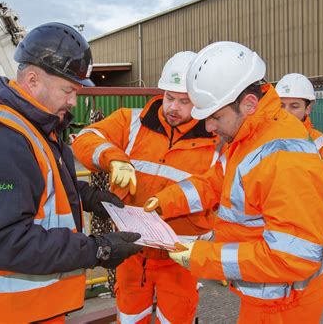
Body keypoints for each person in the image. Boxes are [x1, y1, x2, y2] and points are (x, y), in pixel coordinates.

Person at [0, 22, 142, 323]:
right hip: (14, 313)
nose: (73, 101)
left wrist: (89, 197)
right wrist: (96, 250)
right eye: (68, 90)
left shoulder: (33, 126)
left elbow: (43, 185)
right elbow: (5, 240)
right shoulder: (2, 140)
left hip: (34, 307)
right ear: (32, 80)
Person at [144, 42, 323, 323]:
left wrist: (200, 255)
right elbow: (215, 182)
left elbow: (291, 256)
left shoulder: (282, 157)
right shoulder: (251, 135)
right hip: (269, 295)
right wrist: (165, 202)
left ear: (248, 104)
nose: (209, 128)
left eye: (216, 117)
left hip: (284, 305)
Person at [72, 51, 222, 323]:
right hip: (132, 250)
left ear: (200, 102)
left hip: (180, 256)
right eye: (169, 97)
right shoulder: (130, 121)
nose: (173, 107)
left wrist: (168, 201)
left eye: (184, 101)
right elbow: (85, 139)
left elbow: (213, 190)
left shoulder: (216, 141)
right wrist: (113, 159)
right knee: (129, 318)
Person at [276, 73, 323, 250]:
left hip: (308, 241)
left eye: (294, 106)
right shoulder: (262, 143)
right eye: (281, 106)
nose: (286, 113)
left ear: (308, 109)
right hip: (271, 239)